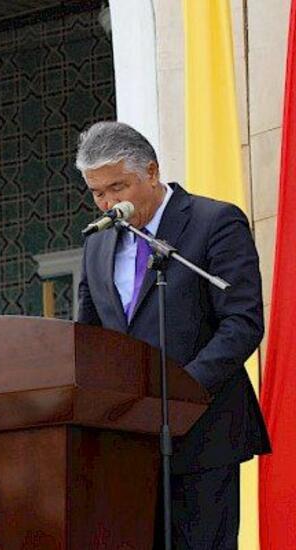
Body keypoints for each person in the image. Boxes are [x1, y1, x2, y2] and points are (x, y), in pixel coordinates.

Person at [75, 121, 270, 548]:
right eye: (97, 193)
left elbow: (242, 322)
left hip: (204, 434)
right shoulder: (96, 245)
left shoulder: (213, 221)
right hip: (130, 442)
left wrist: (182, 392)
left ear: (151, 171)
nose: (109, 203)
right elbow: (88, 339)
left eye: (118, 187)